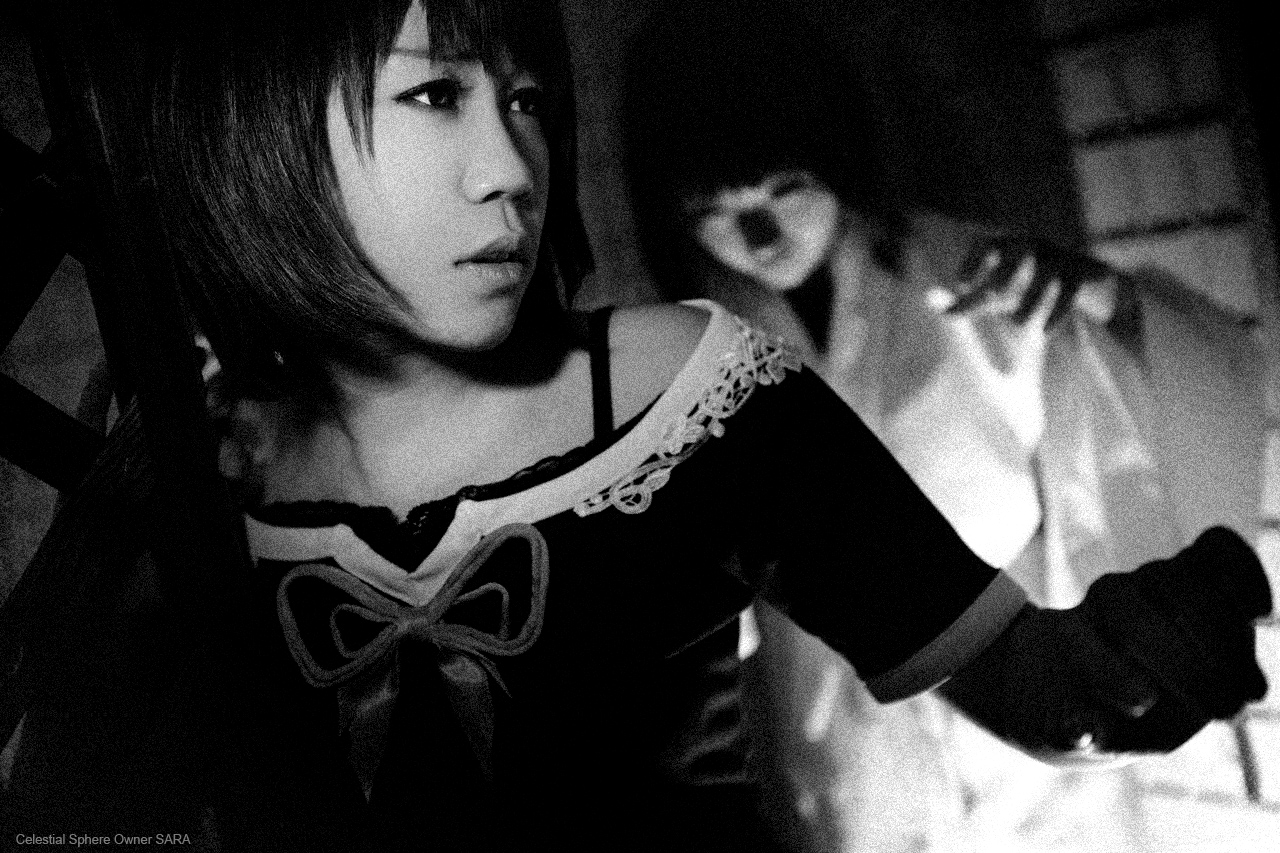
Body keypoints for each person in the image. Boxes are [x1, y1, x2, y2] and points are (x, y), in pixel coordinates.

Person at [2, 2, 1270, 852]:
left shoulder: (689, 387)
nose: (511, 168)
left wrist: (1125, 665)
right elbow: (75, 799)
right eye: (434, 93)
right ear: (261, 125)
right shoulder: (198, 449)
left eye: (526, 102)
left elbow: (1022, 674)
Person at [621, 3, 1269, 851]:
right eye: (713, 207)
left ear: (839, 163)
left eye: (786, 189)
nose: (760, 235)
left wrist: (1100, 298)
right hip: (852, 764)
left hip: (1037, 757)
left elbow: (1187, 374)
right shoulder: (683, 361)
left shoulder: (973, 275)